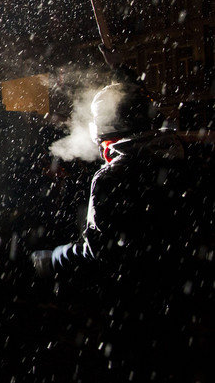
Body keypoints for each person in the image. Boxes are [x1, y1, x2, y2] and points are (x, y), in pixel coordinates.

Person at [31, 72, 215, 379]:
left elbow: (97, 253)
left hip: (134, 308)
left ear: (106, 132)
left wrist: (54, 257)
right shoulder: (188, 161)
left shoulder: (112, 177)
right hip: (186, 304)